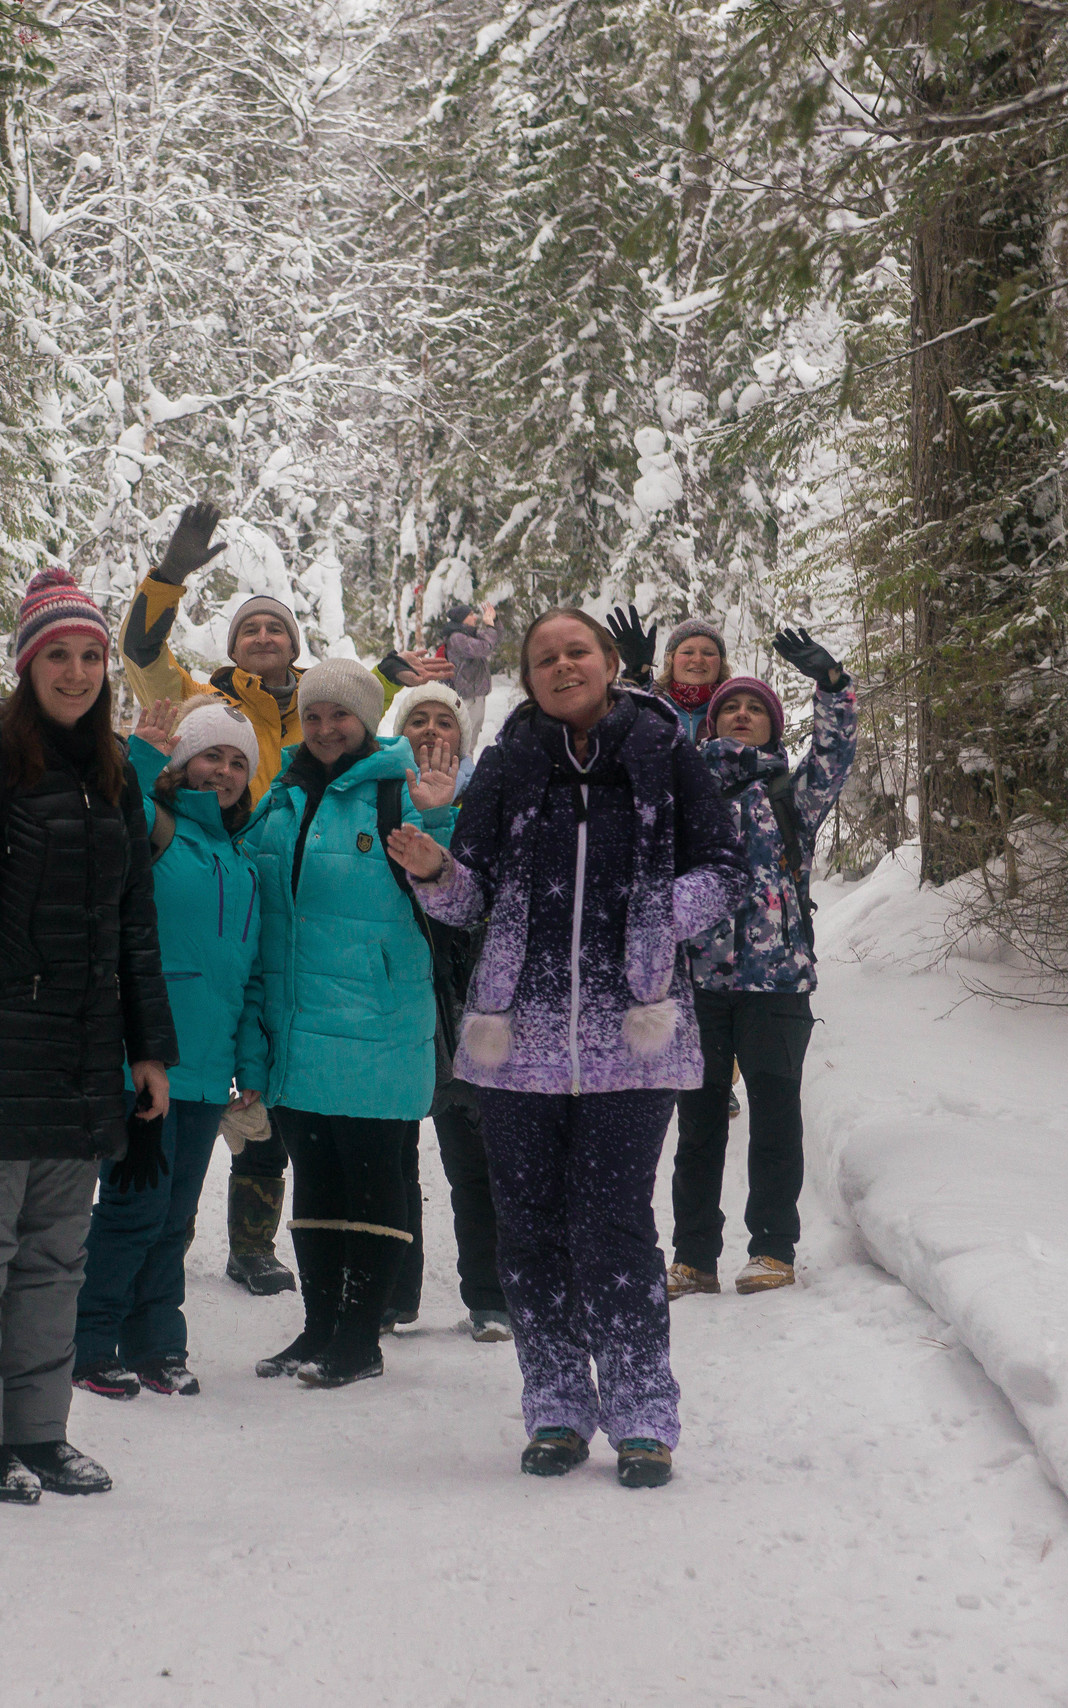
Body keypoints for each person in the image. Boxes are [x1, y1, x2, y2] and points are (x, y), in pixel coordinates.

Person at [386, 610, 748, 1489]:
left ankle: (641, 1412)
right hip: (519, 1042)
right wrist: (434, 869)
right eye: (544, 657)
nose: (561, 666)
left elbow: (726, 871)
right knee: (531, 1229)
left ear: (611, 663)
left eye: (576, 651)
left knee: (615, 1227)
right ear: (530, 676)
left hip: (634, 1038)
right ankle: (554, 1405)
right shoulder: (510, 763)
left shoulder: (666, 754)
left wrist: (658, 919)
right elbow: (470, 901)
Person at [0, 566, 179, 1505]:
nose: (79, 671)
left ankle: (38, 1430)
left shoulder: (111, 778)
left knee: (58, 1253)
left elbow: (136, 923)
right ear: (26, 665)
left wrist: (149, 1051)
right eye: (58, 655)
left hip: (82, 1059)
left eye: (92, 655)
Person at [121, 498, 442, 1297]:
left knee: (278, 1092)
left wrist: (397, 676)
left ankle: (256, 1241)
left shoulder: (316, 706)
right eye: (250, 630)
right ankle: (172, 1236)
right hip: (223, 877)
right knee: (219, 1080)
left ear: (295, 644)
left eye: (277, 630)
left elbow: (359, 710)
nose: (264, 639)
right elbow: (140, 651)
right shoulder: (202, 697)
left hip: (300, 892)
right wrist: (167, 579)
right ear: (232, 645)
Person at [235, 658, 454, 1388]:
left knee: (372, 1179)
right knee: (318, 1181)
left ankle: (361, 1337)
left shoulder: (400, 793)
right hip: (297, 1024)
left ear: (365, 720)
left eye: (341, 715)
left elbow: (455, 891)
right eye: (315, 715)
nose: (327, 728)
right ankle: (320, 1326)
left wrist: (441, 824)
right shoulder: (283, 794)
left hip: (377, 1022)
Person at [71, 695, 261, 1401]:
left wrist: (252, 1067)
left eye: (239, 761)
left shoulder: (239, 859)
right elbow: (102, 814)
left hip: (207, 1074)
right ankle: (89, 1342)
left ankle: (157, 1344)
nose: (224, 771)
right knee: (132, 1211)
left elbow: (245, 974)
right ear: (183, 761)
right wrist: (141, 754)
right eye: (211, 754)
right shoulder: (157, 827)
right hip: (142, 1063)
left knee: (175, 1219)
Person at [666, 632, 857, 1300]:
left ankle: (773, 1249)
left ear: (774, 725)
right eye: (729, 707)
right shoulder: (683, 792)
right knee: (698, 1127)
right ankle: (692, 1258)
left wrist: (832, 685)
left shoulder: (789, 792)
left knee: (775, 1117)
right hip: (699, 984)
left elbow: (835, 756)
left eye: (755, 707)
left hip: (776, 982)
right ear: (712, 723)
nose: (742, 713)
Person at [385, 682, 508, 1342]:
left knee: (474, 1160)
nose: (432, 730)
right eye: (417, 720)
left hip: (470, 1002)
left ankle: (491, 1296)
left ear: (463, 738)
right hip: (397, 1000)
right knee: (394, 1157)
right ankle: (393, 1296)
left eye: (444, 721)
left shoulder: (488, 805)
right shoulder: (375, 800)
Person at [442, 603, 502, 752]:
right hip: (467, 698)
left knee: (471, 743)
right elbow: (484, 647)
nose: (475, 617)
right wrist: (489, 628)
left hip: (477, 696)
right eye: (470, 615)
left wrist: (494, 621)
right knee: (464, 744)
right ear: (462, 619)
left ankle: (467, 771)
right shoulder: (457, 638)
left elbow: (494, 641)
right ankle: (462, 773)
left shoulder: (470, 634)